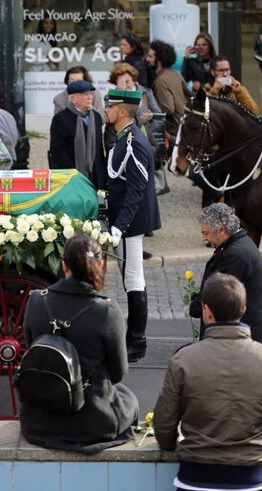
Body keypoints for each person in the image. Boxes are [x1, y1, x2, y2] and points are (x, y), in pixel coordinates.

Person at [154, 273, 262, 491]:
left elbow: (164, 423)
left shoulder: (183, 360)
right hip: (251, 477)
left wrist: (173, 444)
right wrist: (254, 442)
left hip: (195, 475)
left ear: (207, 311)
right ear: (243, 310)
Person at [20, 234, 139, 454]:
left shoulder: (36, 300)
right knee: (129, 398)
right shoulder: (107, 311)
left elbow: (33, 351)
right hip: (92, 420)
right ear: (100, 264)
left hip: (40, 419)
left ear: (64, 266)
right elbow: (118, 374)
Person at [104, 88, 161, 362]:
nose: (106, 109)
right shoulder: (124, 137)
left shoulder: (134, 141)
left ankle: (137, 342)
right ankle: (133, 340)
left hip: (131, 222)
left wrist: (120, 226)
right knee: (131, 279)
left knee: (134, 279)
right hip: (125, 220)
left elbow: (137, 189)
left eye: (110, 106)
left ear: (123, 111)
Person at [190, 203, 262, 343]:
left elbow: (219, 293)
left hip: (239, 340)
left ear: (222, 231)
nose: (204, 238)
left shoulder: (235, 255)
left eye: (206, 233)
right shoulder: (238, 245)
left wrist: (196, 306)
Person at [48, 80, 106, 189]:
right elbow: (58, 150)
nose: (89, 97)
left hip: (95, 175)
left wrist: (102, 173)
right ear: (73, 99)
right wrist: (72, 172)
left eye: (90, 94)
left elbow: (99, 148)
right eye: (85, 94)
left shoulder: (96, 117)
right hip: (72, 175)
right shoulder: (61, 119)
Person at [148, 39, 190, 143]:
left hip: (173, 133)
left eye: (150, 56)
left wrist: (151, 112)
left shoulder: (161, 81)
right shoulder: (176, 74)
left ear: (159, 61)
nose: (147, 59)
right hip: (184, 128)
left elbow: (168, 109)